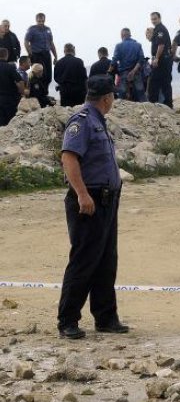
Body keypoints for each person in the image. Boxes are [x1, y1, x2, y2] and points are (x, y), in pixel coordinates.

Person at [58, 75, 128, 339]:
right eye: (113, 96)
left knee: (106, 261)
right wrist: (82, 194)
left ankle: (106, 317)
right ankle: (67, 320)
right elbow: (69, 157)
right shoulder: (83, 122)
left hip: (108, 200)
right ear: (107, 98)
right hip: (90, 201)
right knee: (84, 261)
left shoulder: (99, 122)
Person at [24, 13, 58, 94]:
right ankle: (38, 93)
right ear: (36, 20)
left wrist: (55, 56)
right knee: (39, 75)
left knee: (48, 76)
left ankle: (45, 93)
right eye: (39, 21)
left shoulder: (48, 29)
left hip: (46, 54)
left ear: (44, 20)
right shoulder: (32, 29)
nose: (41, 22)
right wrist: (30, 53)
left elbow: (51, 43)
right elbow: (26, 42)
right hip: (36, 55)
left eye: (42, 20)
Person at [109, 28, 145, 101]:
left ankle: (120, 110)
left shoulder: (119, 46)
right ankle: (147, 110)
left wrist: (109, 70)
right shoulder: (138, 45)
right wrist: (134, 71)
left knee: (122, 93)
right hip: (136, 72)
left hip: (124, 72)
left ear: (122, 35)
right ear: (130, 35)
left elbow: (115, 59)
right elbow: (141, 59)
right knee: (140, 93)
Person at [148, 12, 173, 108]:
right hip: (164, 60)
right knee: (163, 83)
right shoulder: (157, 29)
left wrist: (156, 58)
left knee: (155, 83)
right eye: (152, 19)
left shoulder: (160, 29)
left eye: (155, 19)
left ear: (159, 18)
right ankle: (167, 105)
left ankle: (153, 104)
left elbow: (161, 45)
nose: (153, 21)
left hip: (162, 60)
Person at [0, 49, 24, 126]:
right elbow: (20, 81)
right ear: (7, 55)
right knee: (9, 123)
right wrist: (21, 92)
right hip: (8, 99)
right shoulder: (10, 68)